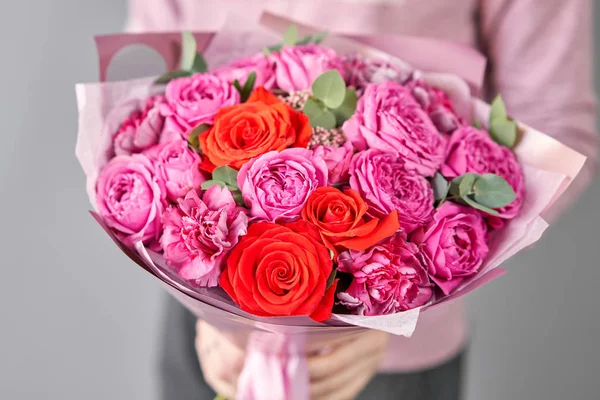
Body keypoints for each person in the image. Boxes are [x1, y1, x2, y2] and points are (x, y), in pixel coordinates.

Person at [126, 1, 598, 399]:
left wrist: (397, 312)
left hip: (393, 356)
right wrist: (207, 303)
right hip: (209, 332)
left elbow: (558, 124)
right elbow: (150, 77)